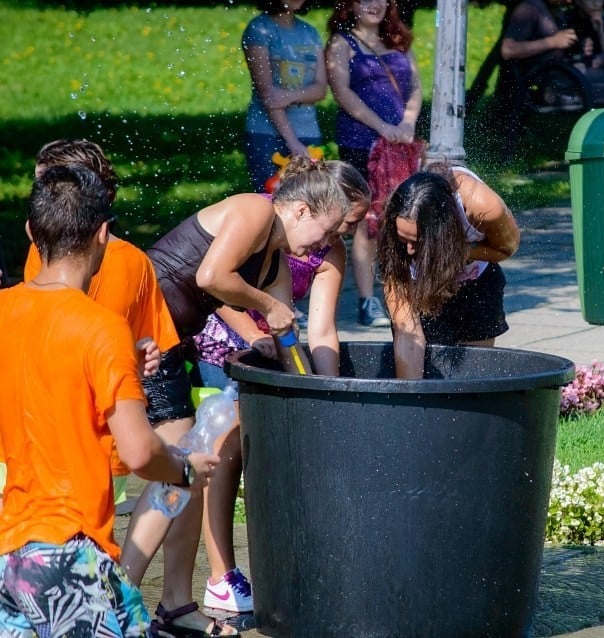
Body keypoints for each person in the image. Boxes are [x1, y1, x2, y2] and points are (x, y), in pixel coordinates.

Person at [120, 156, 347, 636]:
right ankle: (116, 605)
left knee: (188, 473)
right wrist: (267, 308)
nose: (325, 245)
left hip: (169, 346)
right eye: (325, 230)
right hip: (136, 340)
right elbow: (211, 277)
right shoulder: (255, 211)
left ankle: (177, 605)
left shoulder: (276, 261)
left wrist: (308, 390)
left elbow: (286, 332)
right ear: (302, 210)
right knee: (177, 472)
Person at [0, 164, 218, 637]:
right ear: (103, 233)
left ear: (31, 231)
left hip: (11, 554)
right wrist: (185, 469)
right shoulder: (100, 327)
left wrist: (118, 373)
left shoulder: (5, 312)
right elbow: (140, 453)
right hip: (72, 550)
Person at [192, 161, 370, 615]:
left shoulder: (329, 252)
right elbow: (217, 291)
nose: (349, 232)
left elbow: (323, 329)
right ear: (327, 206)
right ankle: (220, 574)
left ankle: (295, 559)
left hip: (275, 340)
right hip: (226, 337)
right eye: (350, 220)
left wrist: (326, 391)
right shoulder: (267, 224)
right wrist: (252, 336)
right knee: (229, 444)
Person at [21, 139, 181, 509]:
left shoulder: (25, 282)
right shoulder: (130, 267)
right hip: (94, 447)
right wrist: (183, 470)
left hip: (37, 446)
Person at [325, 0, 423, 328]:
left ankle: (406, 292)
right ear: (350, 5)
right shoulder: (341, 44)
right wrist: (382, 127)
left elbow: (415, 90)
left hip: (401, 146)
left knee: (405, 218)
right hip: (361, 144)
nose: (374, 5)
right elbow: (342, 94)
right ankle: (368, 301)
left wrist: (408, 124)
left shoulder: (398, 41)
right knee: (367, 223)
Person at [378, 165, 520, 379]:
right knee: (428, 370)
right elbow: (407, 333)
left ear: (442, 232)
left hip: (476, 282)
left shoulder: (482, 206)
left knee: (472, 375)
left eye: (417, 243)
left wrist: (457, 254)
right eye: (403, 240)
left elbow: (507, 248)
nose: (409, 250)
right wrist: (411, 399)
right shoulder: (397, 219)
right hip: (423, 285)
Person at [501, 0, 604, 113]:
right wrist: (552, 42)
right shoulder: (530, 8)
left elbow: (561, 49)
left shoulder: (558, 12)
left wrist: (580, 47)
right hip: (553, 83)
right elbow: (508, 50)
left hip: (568, 74)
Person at [242, 0, 328, 192]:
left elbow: (321, 90)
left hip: (308, 133)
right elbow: (268, 95)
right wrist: (292, 142)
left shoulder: (310, 33)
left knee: (311, 204)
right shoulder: (259, 29)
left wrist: (289, 96)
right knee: (270, 204)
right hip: (266, 135)